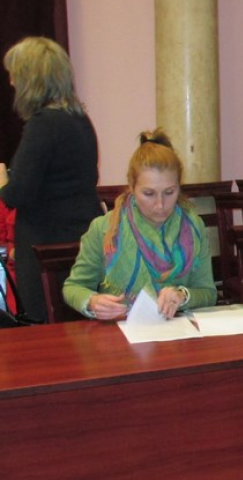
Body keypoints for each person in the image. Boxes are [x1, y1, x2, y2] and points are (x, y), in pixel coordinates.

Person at [63, 129, 217, 320]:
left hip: (176, 329)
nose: (160, 204)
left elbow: (208, 292)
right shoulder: (105, 229)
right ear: (132, 187)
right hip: (120, 329)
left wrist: (182, 296)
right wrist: (92, 302)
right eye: (149, 194)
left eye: (169, 192)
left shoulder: (193, 227)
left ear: (179, 187)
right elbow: (73, 287)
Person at [0, 36, 103, 322]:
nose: (11, 82)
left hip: (47, 248)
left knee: (48, 328)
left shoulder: (43, 124)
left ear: (31, 80)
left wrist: (2, 181)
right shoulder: (79, 118)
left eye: (15, 75)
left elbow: (18, 193)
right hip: (82, 238)